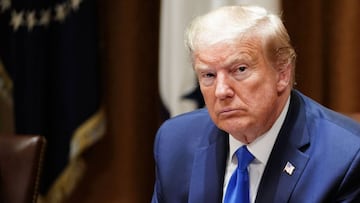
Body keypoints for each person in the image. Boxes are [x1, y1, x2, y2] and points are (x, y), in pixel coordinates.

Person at [151, 5, 360, 203]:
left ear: (282, 74)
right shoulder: (175, 142)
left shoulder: (346, 157)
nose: (221, 90)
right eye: (208, 75)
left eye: (240, 69)